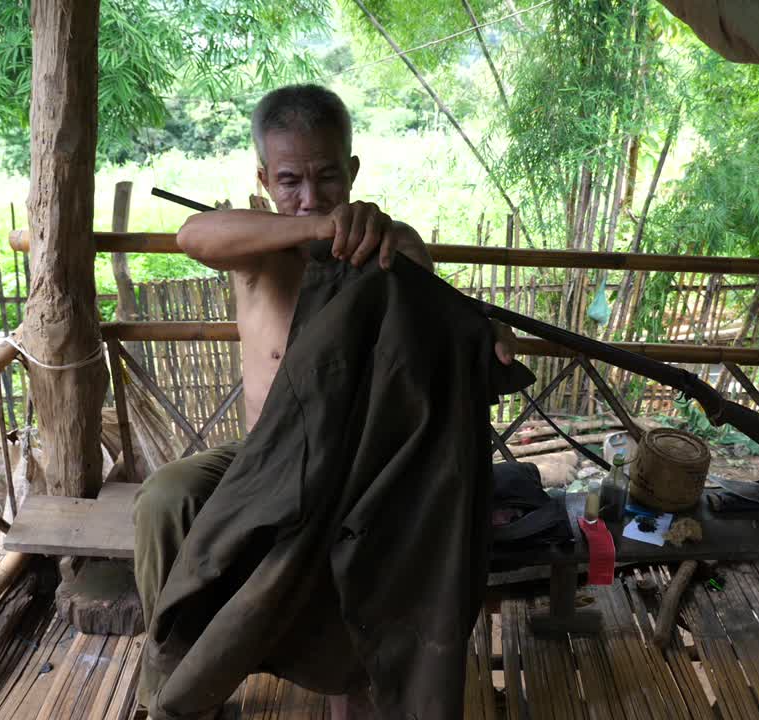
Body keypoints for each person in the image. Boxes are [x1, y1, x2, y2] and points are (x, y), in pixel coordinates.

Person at [132, 84, 516, 719]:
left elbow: (436, 324)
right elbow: (193, 234)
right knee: (166, 497)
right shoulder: (256, 245)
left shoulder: (390, 245)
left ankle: (360, 685)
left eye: (327, 180)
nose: (309, 196)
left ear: (353, 170)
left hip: (354, 471)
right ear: (263, 178)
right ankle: (177, 684)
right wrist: (312, 227)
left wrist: (480, 334)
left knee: (382, 540)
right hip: (260, 466)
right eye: (289, 182)